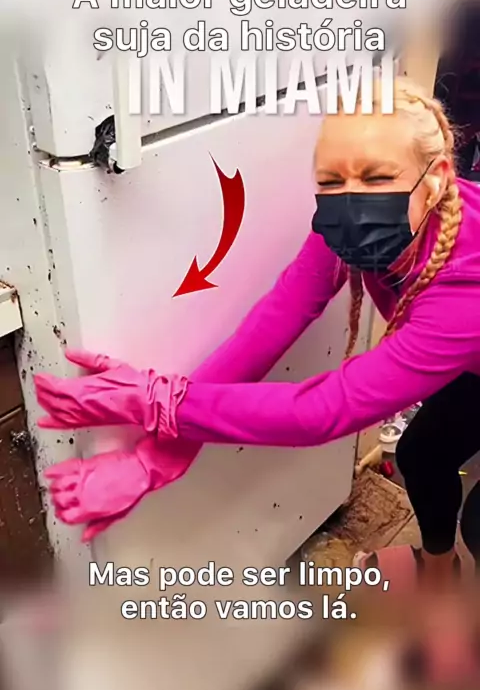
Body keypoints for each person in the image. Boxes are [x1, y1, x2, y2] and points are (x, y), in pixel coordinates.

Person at [35, 76, 480, 588]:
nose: (350, 197)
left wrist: (158, 402)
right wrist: (158, 455)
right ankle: (438, 573)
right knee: (423, 455)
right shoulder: (355, 220)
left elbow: (324, 410)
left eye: (378, 177)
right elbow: (278, 319)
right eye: (331, 179)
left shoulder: (464, 288)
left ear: (436, 178)